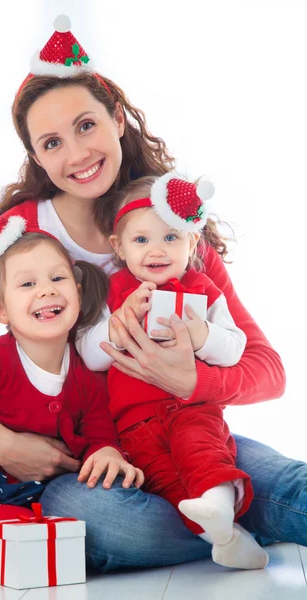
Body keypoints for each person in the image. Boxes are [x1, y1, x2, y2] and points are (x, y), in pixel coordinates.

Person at [0, 15, 304, 575]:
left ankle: (224, 507)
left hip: (180, 427)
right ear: (37, 157)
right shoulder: (16, 241)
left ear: (118, 119)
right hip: (82, 463)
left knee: (288, 483)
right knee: (112, 520)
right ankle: (226, 515)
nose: (76, 154)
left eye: (87, 125)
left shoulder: (172, 232)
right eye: (52, 142)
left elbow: (268, 369)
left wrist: (193, 380)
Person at [0, 206, 143, 568]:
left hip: (13, 499)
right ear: (0, 310)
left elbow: (99, 432)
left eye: (58, 279)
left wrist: (107, 451)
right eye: (28, 284)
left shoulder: (86, 375)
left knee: (29, 544)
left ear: (78, 294)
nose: (46, 291)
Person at [78, 171, 269, 569]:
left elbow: (235, 349)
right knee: (167, 483)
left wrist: (202, 335)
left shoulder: (203, 289)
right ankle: (226, 536)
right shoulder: (116, 293)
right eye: (141, 239)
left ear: (192, 243)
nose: (157, 250)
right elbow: (88, 356)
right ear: (119, 247)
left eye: (170, 238)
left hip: (190, 408)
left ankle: (218, 505)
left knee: (202, 454)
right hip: (134, 425)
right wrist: (116, 324)